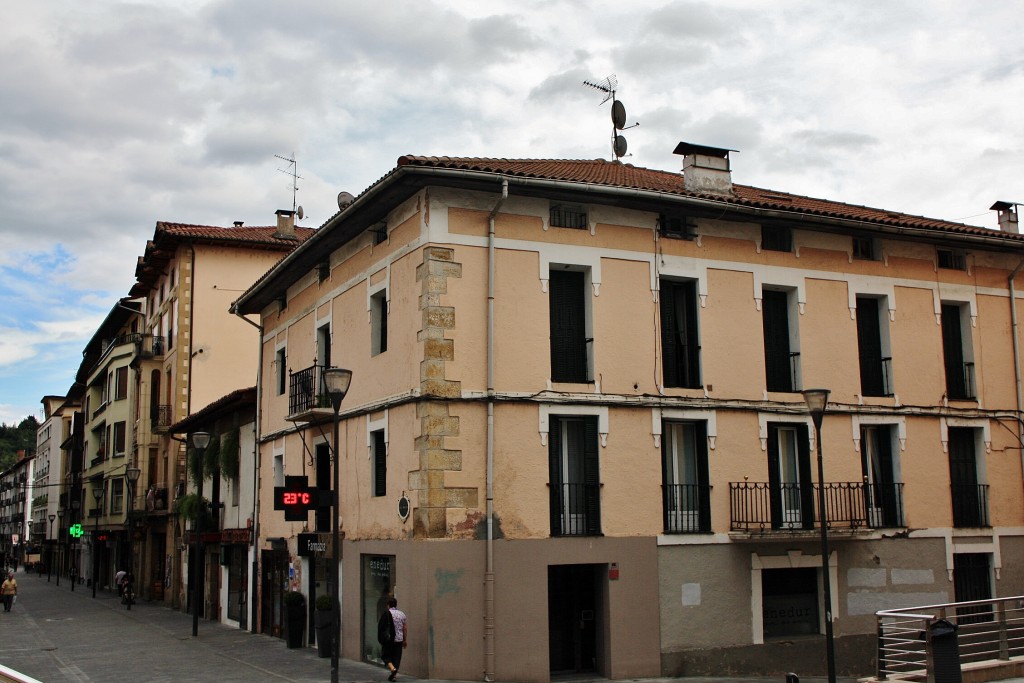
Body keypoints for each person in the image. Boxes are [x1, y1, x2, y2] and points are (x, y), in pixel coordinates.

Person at [382, 597, 408, 681]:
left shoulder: (387, 614)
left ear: (388, 605)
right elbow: (405, 628)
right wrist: (404, 640)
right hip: (399, 640)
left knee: (386, 655)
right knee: (397, 657)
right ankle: (394, 676)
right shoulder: (402, 614)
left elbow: (382, 627)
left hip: (389, 639)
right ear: (396, 604)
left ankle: (392, 669)